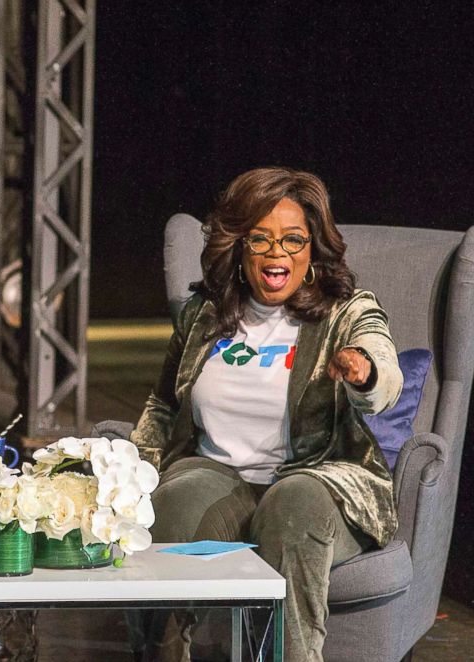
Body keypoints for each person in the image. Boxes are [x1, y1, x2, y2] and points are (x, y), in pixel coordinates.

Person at [129, 167, 403, 661]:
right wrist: (128, 475)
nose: (278, 253)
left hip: (321, 479)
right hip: (219, 472)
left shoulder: (346, 312)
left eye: (293, 240)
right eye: (262, 240)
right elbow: (165, 404)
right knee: (172, 505)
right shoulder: (204, 316)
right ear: (239, 249)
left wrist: (364, 373)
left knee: (292, 507)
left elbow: (383, 370)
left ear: (312, 249)